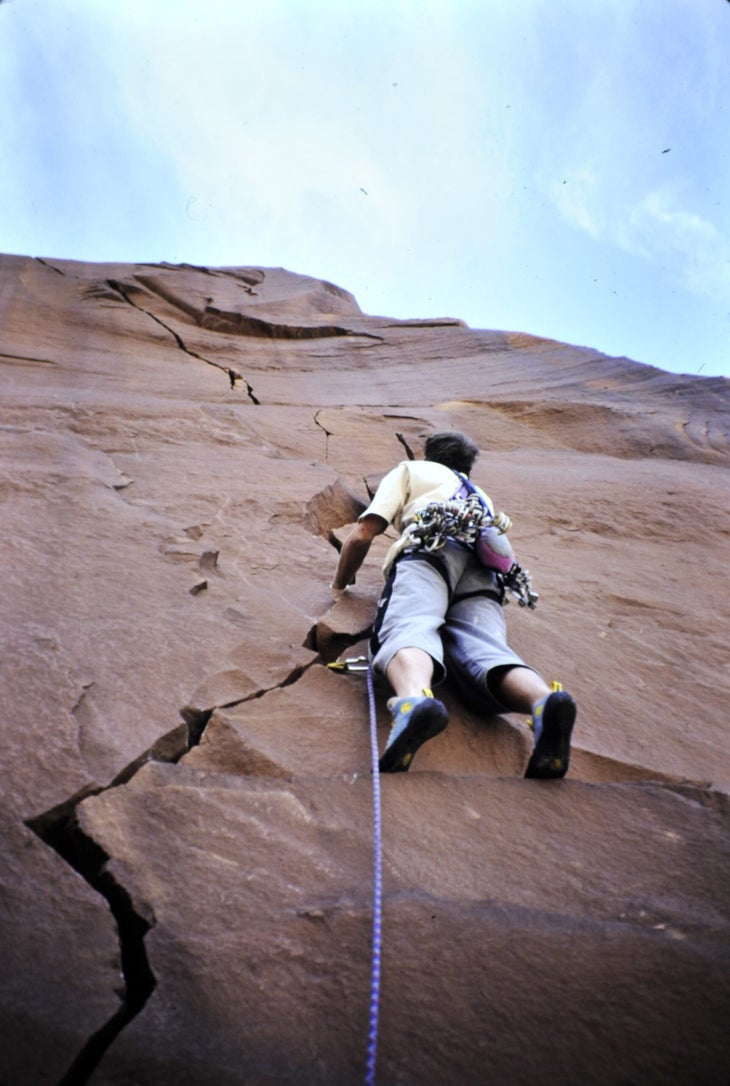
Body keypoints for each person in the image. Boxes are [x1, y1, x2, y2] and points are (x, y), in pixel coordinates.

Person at [331, 432, 576, 777]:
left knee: (409, 628)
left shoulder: (412, 471)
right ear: (467, 466)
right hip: (486, 574)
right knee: (488, 650)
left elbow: (363, 533)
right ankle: (543, 701)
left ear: (429, 455)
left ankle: (414, 701)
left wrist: (339, 586)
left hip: (428, 553)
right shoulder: (482, 498)